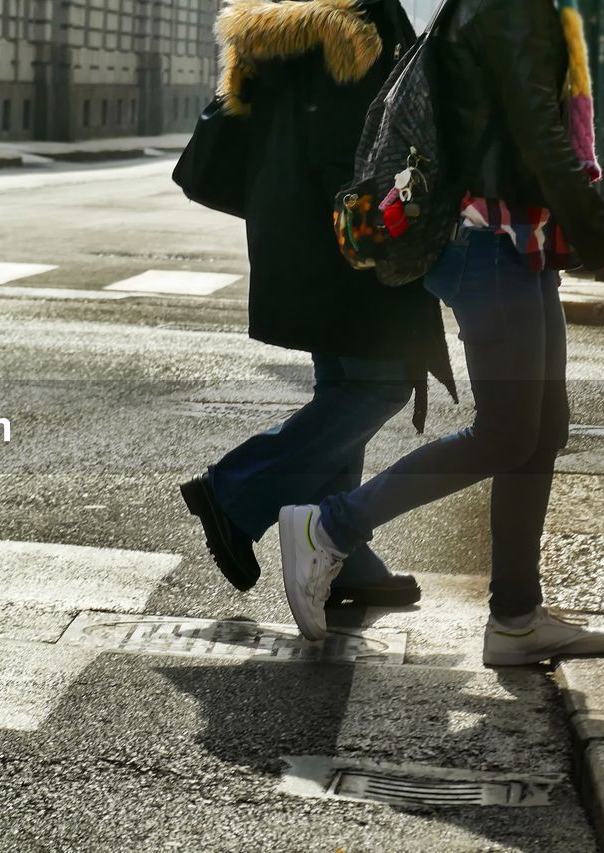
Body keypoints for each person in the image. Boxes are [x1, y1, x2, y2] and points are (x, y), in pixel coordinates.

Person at [277, 0, 604, 666]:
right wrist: (603, 238)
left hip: (520, 241)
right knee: (507, 429)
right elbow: (538, 132)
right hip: (486, 241)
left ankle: (515, 617)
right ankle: (329, 527)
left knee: (541, 427)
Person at [179, 0, 454, 608]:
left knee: (344, 389)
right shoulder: (353, 30)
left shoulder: (287, 24)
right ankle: (233, 489)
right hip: (346, 249)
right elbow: (358, 154)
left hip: (298, 237)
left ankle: (343, 558)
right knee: (380, 385)